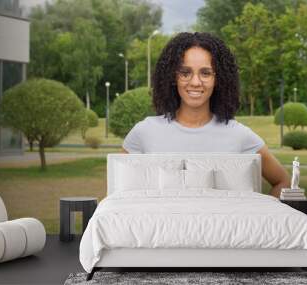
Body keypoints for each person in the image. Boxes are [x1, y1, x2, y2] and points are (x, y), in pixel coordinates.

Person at [121, 32, 289, 198]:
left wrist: (261, 218)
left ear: (219, 79)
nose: (195, 82)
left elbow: (283, 182)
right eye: (185, 73)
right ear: (173, 77)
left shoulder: (239, 135)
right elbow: (117, 195)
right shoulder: (144, 133)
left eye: (206, 73)